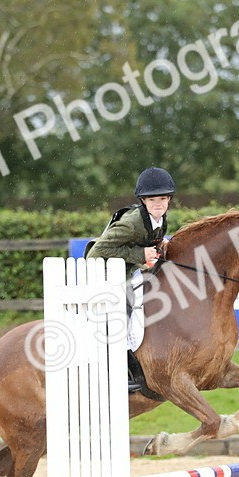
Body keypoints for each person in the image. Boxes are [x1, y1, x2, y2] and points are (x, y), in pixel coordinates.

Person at [86, 167, 176, 392]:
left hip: (128, 270)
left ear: (169, 200)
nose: (158, 204)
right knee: (127, 311)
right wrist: (139, 255)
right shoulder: (132, 221)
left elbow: (149, 242)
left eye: (163, 199)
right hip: (106, 272)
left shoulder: (160, 218)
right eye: (152, 199)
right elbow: (95, 253)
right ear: (143, 201)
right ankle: (124, 368)